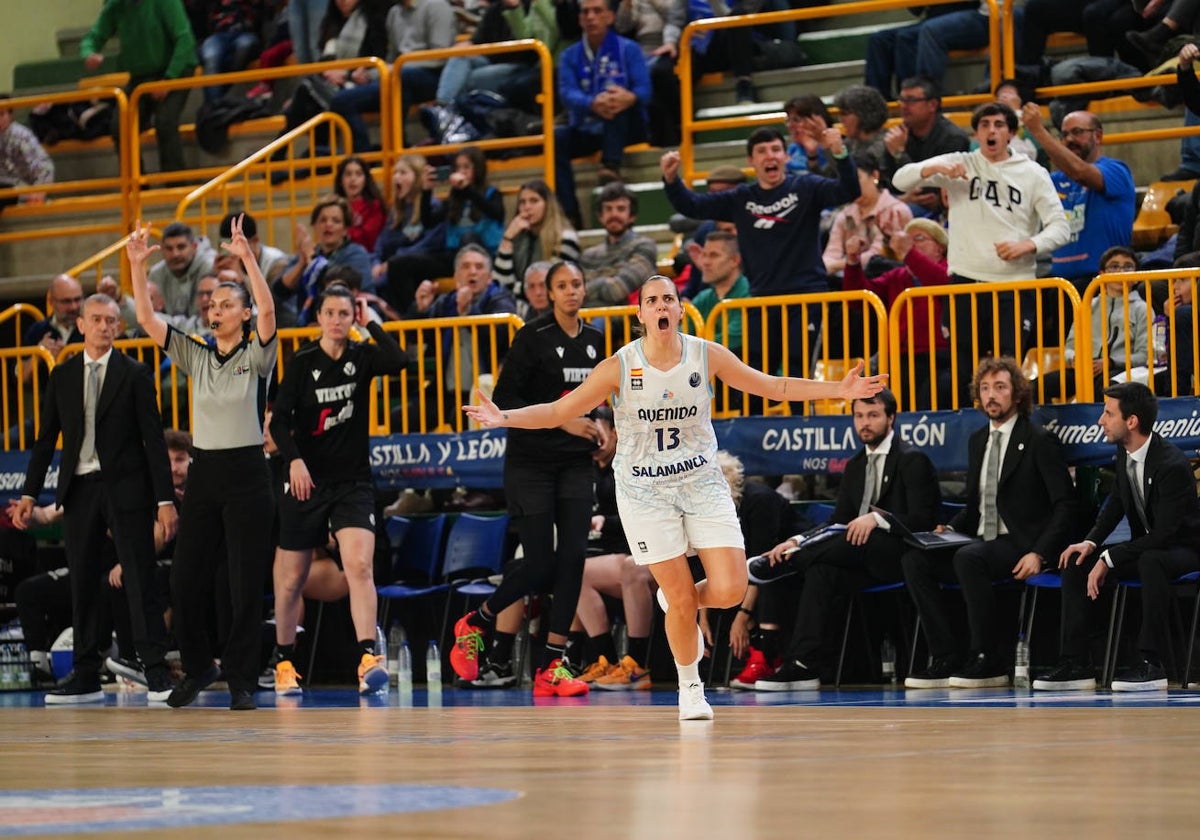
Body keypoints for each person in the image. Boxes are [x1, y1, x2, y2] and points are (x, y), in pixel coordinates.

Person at [462, 274, 887, 720]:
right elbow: (557, 411)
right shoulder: (620, 366)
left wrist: (838, 391)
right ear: (641, 314)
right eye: (653, 300)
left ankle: (677, 601)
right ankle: (690, 689)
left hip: (700, 481)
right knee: (682, 597)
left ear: (680, 310)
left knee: (729, 588)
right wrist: (502, 416)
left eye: (669, 298)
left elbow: (773, 386)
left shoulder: (706, 355)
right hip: (645, 489)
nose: (662, 306)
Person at [127, 215, 277, 711]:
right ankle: (199, 666)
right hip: (205, 473)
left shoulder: (257, 354)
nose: (216, 309)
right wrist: (134, 265)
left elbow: (270, 311)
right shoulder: (196, 354)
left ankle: (241, 678)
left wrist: (247, 259)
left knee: (241, 583)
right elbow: (149, 322)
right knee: (183, 578)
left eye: (226, 304)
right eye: (212, 304)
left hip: (248, 476)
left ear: (243, 313)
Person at [449, 261, 612, 698]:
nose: (572, 292)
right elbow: (505, 401)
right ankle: (478, 619)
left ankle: (551, 666)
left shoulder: (596, 341)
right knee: (541, 563)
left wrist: (605, 430)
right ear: (549, 293)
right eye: (562, 286)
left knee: (574, 558)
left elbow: (601, 401)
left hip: (576, 464)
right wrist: (564, 422)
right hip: (532, 464)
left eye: (577, 283)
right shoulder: (532, 338)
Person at [13, 292, 178, 705]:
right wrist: (30, 492)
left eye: (111, 320)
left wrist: (163, 499)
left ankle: (155, 670)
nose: (104, 326)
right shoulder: (63, 375)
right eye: (96, 320)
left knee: (139, 577)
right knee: (83, 581)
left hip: (127, 489)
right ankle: (86, 672)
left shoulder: (136, 374)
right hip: (79, 489)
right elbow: (46, 438)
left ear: (118, 327)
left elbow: (154, 442)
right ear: (81, 325)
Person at [267, 284, 409, 696]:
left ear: (353, 318)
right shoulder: (302, 362)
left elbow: (400, 360)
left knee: (360, 567)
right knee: (290, 579)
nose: (336, 320)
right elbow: (278, 422)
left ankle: (368, 659)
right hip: (305, 481)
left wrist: (372, 324)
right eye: (330, 313)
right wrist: (293, 458)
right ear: (319, 318)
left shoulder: (361, 356)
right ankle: (284, 661)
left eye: (345, 314)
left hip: (352, 483)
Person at [901, 357, 1076, 689]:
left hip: (1020, 544)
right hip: (982, 541)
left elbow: (1065, 505)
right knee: (915, 559)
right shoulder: (977, 440)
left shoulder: (1037, 439)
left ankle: (988, 658)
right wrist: (948, 529)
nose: (991, 396)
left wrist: (1040, 553)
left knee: (970, 557)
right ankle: (944, 657)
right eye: (984, 388)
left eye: (1000, 387)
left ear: (1017, 394)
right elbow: (974, 506)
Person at [752, 388, 940, 690]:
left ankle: (788, 563)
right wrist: (798, 540)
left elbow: (923, 520)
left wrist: (877, 518)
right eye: (859, 416)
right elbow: (837, 522)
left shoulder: (912, 460)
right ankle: (803, 664)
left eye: (873, 415)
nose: (865, 423)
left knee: (828, 551)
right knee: (820, 572)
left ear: (891, 418)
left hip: (897, 554)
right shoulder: (854, 466)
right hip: (852, 556)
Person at [661, 126, 860, 407]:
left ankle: (798, 434)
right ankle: (754, 440)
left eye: (776, 149)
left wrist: (840, 153)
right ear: (752, 162)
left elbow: (848, 190)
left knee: (797, 371)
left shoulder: (806, 187)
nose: (770, 156)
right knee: (751, 374)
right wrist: (671, 180)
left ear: (786, 157)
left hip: (806, 298)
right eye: (762, 151)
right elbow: (693, 205)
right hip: (761, 300)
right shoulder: (741, 198)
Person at [892, 100, 1071, 405]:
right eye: (984, 125)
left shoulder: (1032, 173)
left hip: (1014, 286)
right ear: (975, 132)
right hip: (966, 284)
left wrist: (1028, 244)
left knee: (1007, 372)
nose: (991, 131)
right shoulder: (960, 162)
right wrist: (934, 167)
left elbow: (1060, 227)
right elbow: (899, 180)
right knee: (964, 374)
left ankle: (1014, 434)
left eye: (999, 125)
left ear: (1011, 133)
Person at [1037, 382, 1200, 691]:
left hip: (1182, 550)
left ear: (1132, 421)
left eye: (1108, 413)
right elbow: (1115, 503)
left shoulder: (1172, 465)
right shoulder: (1123, 453)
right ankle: (1076, 664)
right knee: (1076, 561)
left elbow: (1165, 534)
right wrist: (1091, 543)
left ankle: (1151, 663)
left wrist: (1110, 558)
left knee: (1153, 560)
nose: (1101, 420)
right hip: (1145, 548)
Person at [1019, 105, 1135, 297]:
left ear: (1097, 136)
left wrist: (1038, 131)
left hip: (1103, 284)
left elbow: (1079, 171)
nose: (1070, 139)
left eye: (1077, 132)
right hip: (1060, 286)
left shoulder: (1116, 170)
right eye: (1064, 135)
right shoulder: (1054, 180)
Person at [555, 0, 651, 226]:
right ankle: (570, 213)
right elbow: (566, 93)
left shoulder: (628, 49)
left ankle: (610, 165)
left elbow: (645, 90)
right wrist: (592, 103)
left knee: (615, 104)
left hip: (626, 126)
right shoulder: (569, 56)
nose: (590, 17)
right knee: (556, 138)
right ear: (579, 19)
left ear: (610, 17)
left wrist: (630, 97)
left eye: (597, 11)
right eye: (585, 12)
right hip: (586, 127)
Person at [842, 218, 952, 410]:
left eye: (918, 238)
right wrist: (853, 261)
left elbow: (940, 281)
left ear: (940, 247)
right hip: (898, 358)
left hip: (940, 358)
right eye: (908, 239)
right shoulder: (898, 276)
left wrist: (908, 252)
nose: (910, 243)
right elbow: (858, 299)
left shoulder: (950, 270)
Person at [80, 0, 197, 174]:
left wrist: (168, 79)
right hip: (141, 76)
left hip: (176, 69)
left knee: (165, 122)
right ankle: (135, 186)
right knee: (120, 126)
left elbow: (185, 39)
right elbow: (94, 36)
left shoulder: (166, 3)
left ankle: (176, 183)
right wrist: (88, 53)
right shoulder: (116, 5)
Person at [1041, 247, 1147, 401]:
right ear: (1102, 274)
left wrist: (1110, 362)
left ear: (1136, 276)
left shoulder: (1142, 309)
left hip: (1120, 371)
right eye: (1114, 266)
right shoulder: (1087, 307)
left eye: (1128, 266)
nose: (1121, 271)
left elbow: (1145, 355)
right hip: (1085, 370)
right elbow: (1069, 349)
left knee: (1105, 385)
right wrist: (1075, 360)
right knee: (1036, 387)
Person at [278, 194, 374, 327]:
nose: (328, 225)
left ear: (346, 229)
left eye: (336, 221)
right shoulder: (308, 253)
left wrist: (311, 260)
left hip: (351, 324)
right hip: (309, 327)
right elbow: (279, 290)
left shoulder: (356, 253)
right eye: (323, 220)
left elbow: (337, 286)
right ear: (314, 225)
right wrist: (302, 262)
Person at [371, 154, 446, 311]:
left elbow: (432, 242)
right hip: (393, 268)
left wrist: (393, 260)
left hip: (421, 265)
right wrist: (376, 263)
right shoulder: (396, 213)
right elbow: (382, 243)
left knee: (398, 268)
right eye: (395, 173)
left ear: (418, 178)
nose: (396, 177)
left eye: (403, 173)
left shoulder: (432, 206)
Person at [823, 150, 913, 276]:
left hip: (891, 279)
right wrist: (827, 266)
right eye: (847, 180)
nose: (851, 185)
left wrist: (836, 265)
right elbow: (831, 253)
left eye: (857, 178)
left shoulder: (896, 211)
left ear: (875, 175)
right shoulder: (844, 215)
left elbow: (877, 256)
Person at [493, 179, 581, 296]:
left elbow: (546, 287)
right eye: (522, 202)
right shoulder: (517, 237)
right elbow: (500, 283)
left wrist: (514, 289)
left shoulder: (566, 238)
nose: (527, 207)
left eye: (534, 201)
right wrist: (507, 238)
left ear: (548, 205)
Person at [579, 182, 658, 306]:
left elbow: (616, 290)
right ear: (600, 216)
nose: (614, 214)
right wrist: (606, 281)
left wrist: (595, 284)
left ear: (632, 216)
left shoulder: (644, 246)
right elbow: (578, 294)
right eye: (608, 209)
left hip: (630, 321)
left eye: (620, 209)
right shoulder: (588, 256)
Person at [690, 230, 749, 354]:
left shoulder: (749, 295)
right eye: (704, 255)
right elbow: (679, 336)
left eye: (714, 255)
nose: (705, 262)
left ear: (734, 260)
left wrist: (688, 346)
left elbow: (731, 341)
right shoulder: (703, 298)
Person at [0, 95, 54, 208]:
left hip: (20, 189)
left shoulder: (22, 136)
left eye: (1, 114)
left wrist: (38, 191)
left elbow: (44, 167)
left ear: (10, 115)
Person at [334, 155, 387, 253]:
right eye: (348, 174)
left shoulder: (374, 206)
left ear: (365, 180)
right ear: (341, 180)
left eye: (358, 174)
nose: (353, 179)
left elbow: (369, 242)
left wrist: (340, 233)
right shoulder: (333, 206)